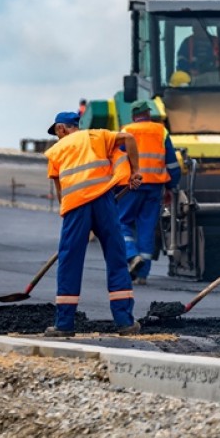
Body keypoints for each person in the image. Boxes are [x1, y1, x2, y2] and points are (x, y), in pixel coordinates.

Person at [44, 111, 143, 337]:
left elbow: (60, 192)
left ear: (61, 129)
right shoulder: (97, 136)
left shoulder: (56, 151)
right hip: (104, 202)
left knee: (70, 261)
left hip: (76, 207)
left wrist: (71, 221)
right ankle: (125, 322)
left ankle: (64, 324)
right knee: (117, 258)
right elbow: (129, 138)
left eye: (57, 133)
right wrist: (136, 170)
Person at [118, 100, 181, 284]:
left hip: (130, 186)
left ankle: (131, 255)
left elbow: (118, 160)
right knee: (146, 227)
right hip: (154, 187)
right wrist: (172, 186)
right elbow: (172, 164)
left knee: (121, 222)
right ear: (149, 113)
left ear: (133, 116)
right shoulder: (161, 131)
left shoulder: (126, 130)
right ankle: (142, 275)